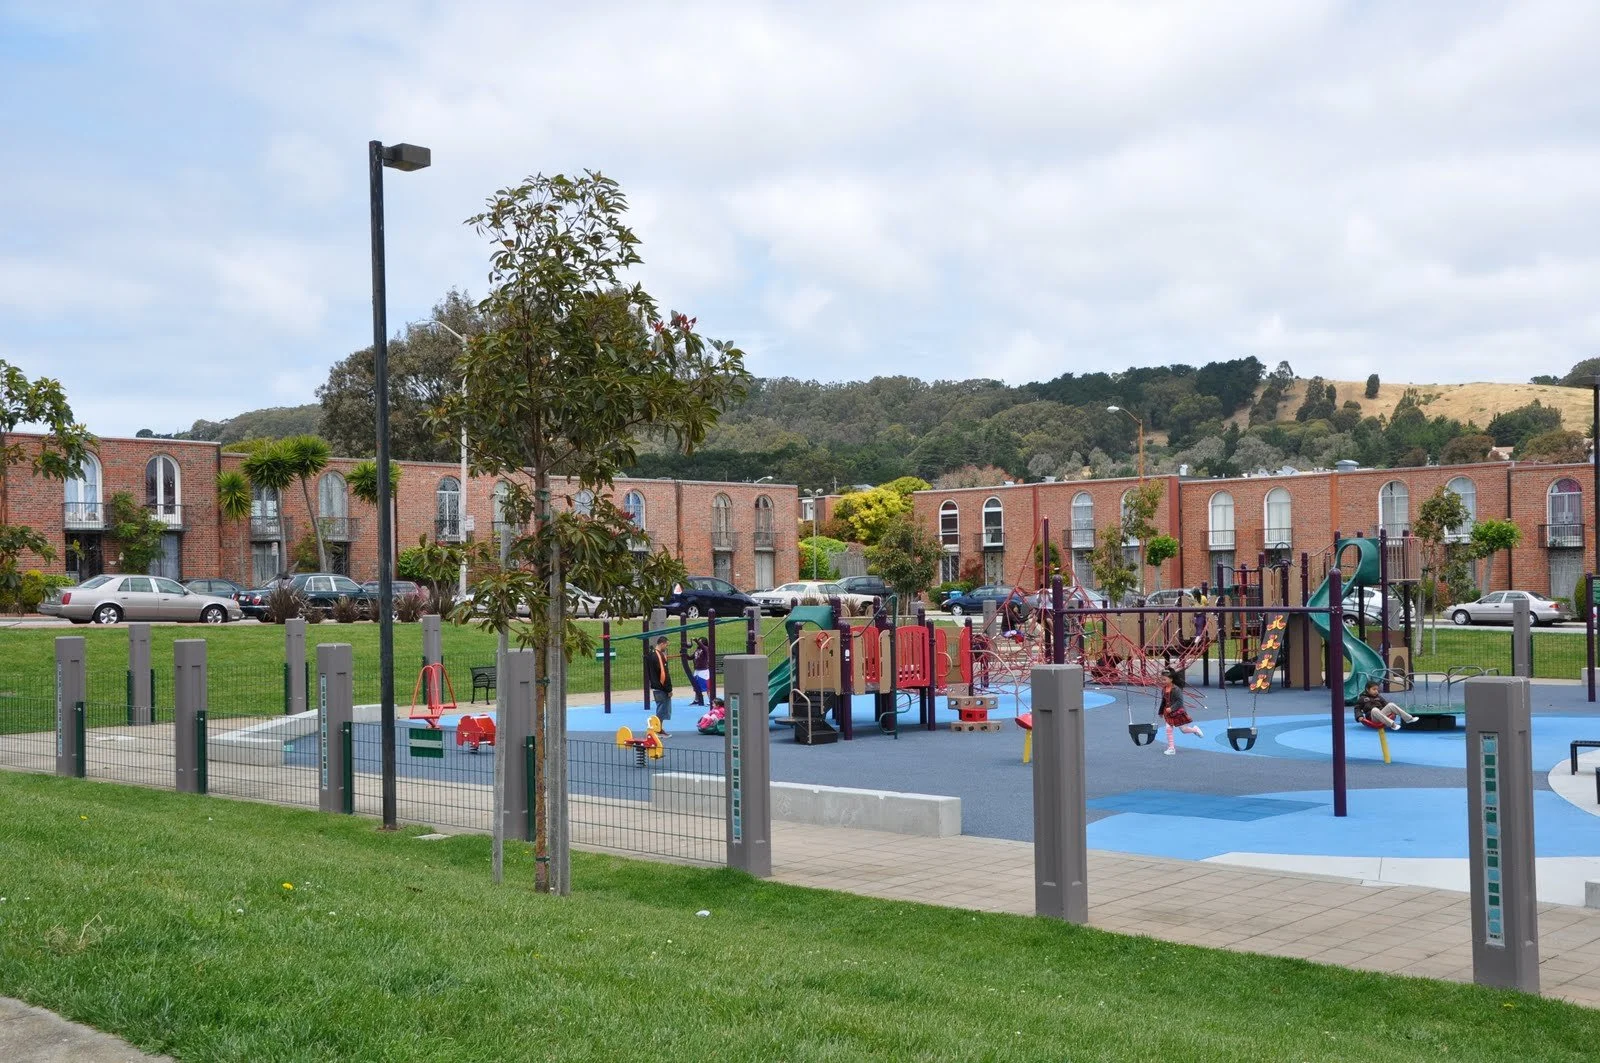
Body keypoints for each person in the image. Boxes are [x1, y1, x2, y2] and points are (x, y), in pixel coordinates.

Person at [1157, 672, 1203, 756]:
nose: (1163, 681)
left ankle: (1195, 730)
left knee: (1184, 730)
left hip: (1178, 712)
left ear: (1171, 679)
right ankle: (1171, 748)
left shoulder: (1176, 689)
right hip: (1168, 713)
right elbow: (1163, 701)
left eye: (1164, 679)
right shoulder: (1164, 689)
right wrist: (1160, 711)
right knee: (1168, 728)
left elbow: (1180, 702)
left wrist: (1171, 708)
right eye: (1162, 679)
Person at [648, 635, 674, 722]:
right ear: (662, 644)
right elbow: (663, 673)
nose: (666, 647)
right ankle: (657, 730)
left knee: (661, 709)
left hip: (656, 686)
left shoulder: (651, 654)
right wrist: (668, 689)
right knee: (662, 710)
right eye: (666, 645)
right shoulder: (659, 656)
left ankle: (659, 729)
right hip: (661, 687)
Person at [691, 637, 710, 706]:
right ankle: (697, 699)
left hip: (704, 671)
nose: (699, 643)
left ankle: (710, 700)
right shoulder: (697, 650)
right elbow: (691, 657)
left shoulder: (706, 649)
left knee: (707, 686)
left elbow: (703, 647)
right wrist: (684, 655)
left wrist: (696, 641)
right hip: (697, 670)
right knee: (696, 685)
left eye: (700, 641)